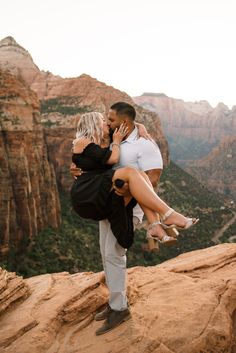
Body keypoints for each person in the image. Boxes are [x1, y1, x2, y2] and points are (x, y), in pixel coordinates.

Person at [70, 102, 199, 335]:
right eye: (106, 121)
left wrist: (128, 191)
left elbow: (152, 180)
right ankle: (114, 304)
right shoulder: (112, 137)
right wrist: (77, 166)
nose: (108, 124)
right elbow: (92, 155)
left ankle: (120, 308)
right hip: (106, 199)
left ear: (124, 123)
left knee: (115, 253)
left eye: (111, 121)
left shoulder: (145, 144)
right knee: (105, 252)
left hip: (131, 204)